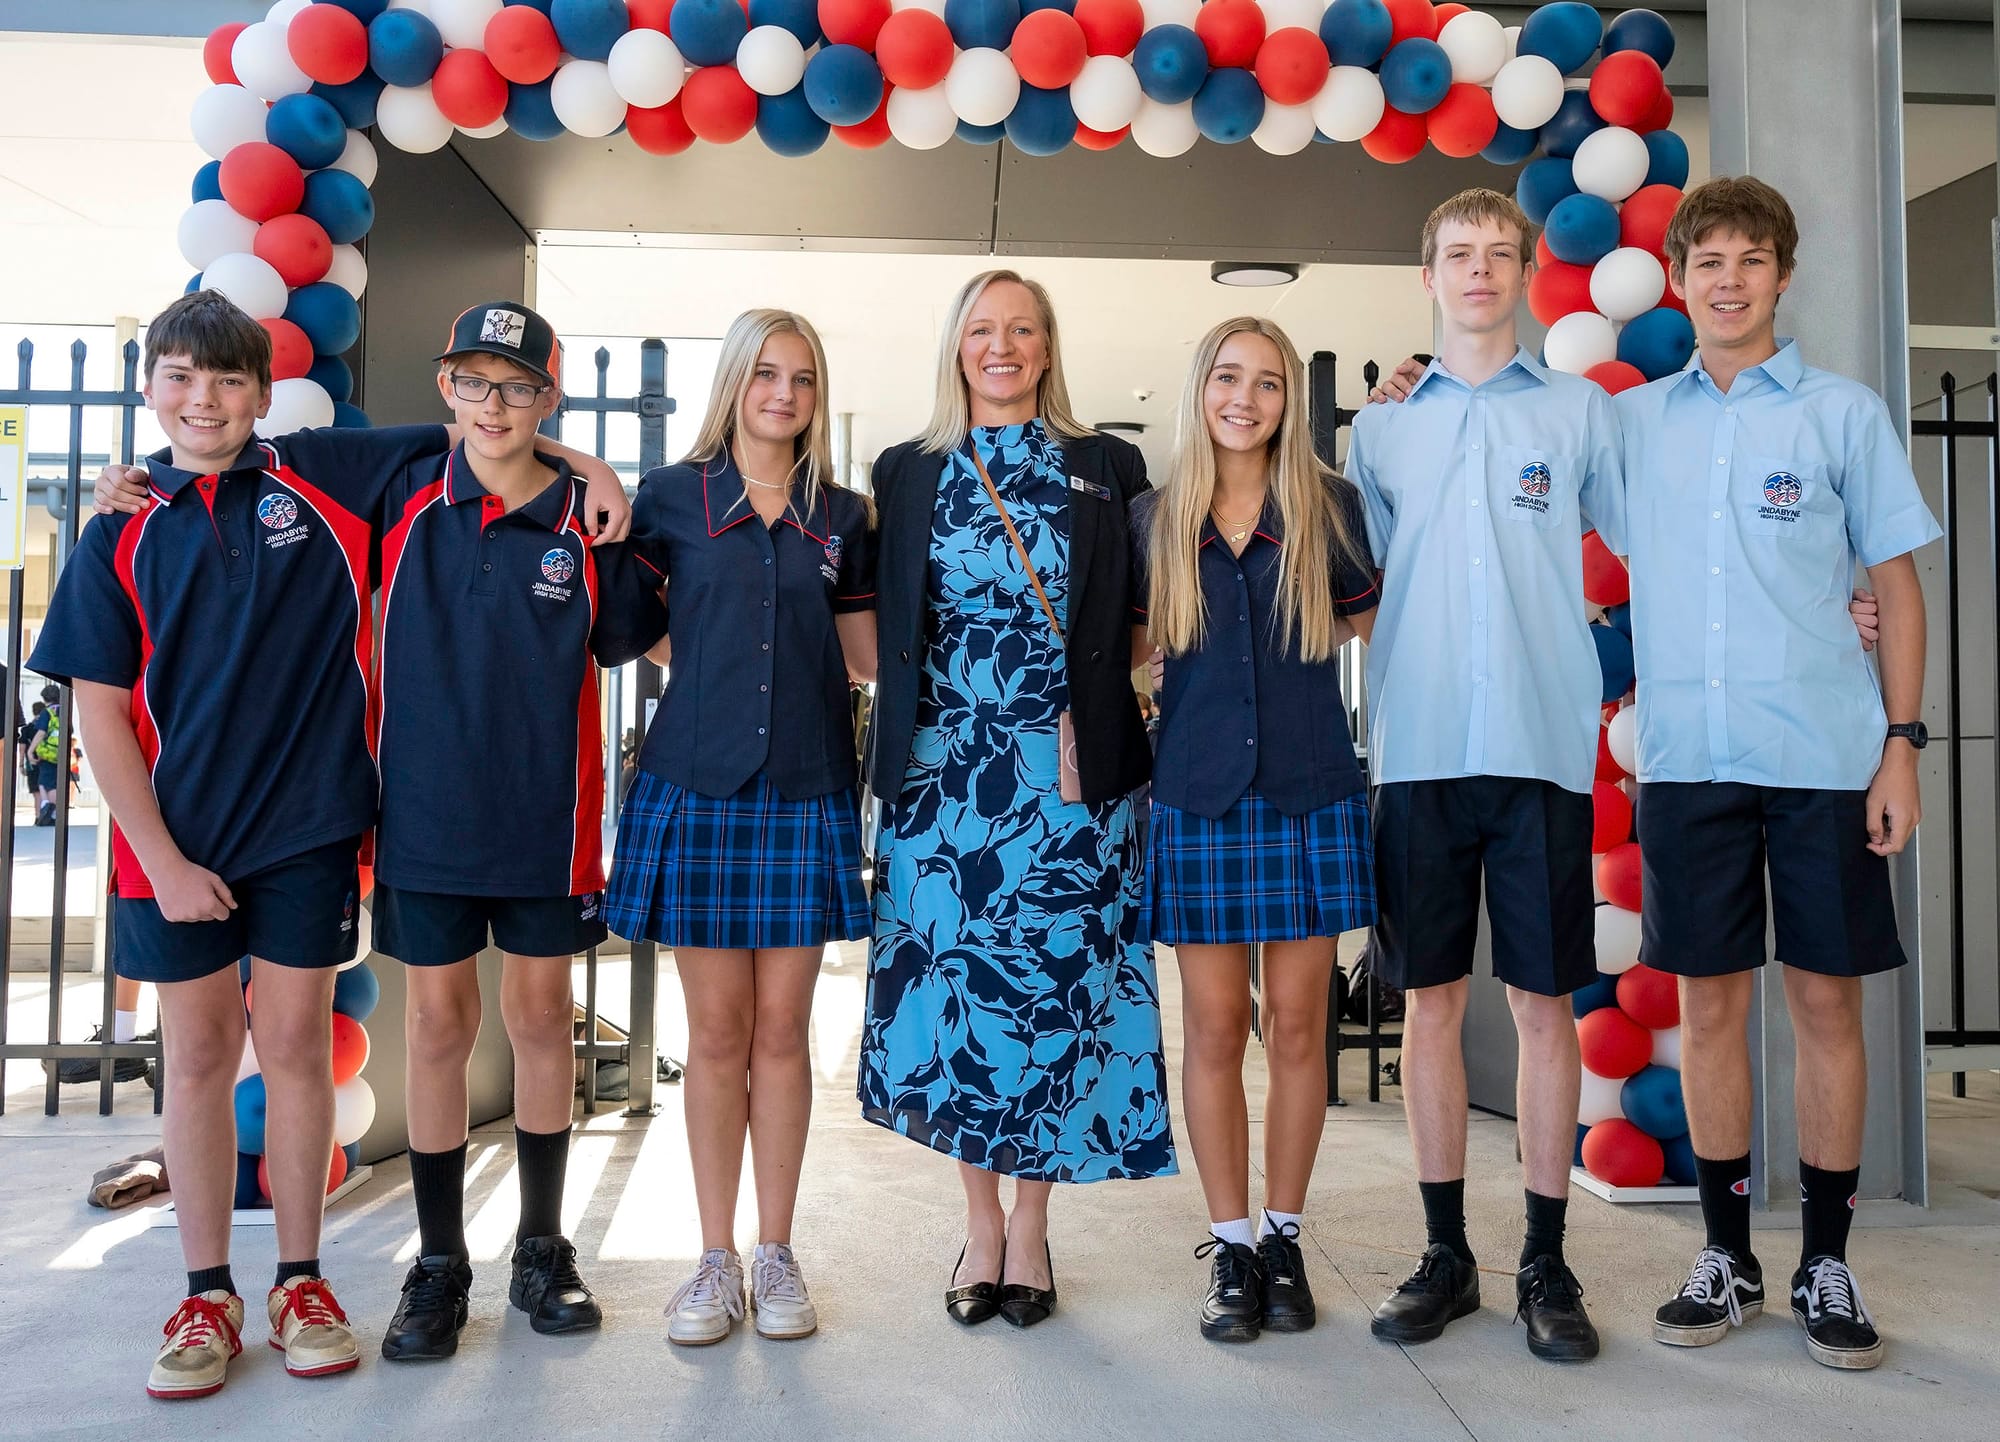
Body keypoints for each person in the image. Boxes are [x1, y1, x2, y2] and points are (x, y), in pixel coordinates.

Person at [69, 290, 628, 1400]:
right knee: (196, 1059)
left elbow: (494, 434)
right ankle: (208, 1291)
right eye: (180, 379)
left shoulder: (322, 474)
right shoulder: (117, 525)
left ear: (263, 395)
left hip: (311, 826)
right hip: (174, 844)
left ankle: (304, 1279)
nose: (204, 400)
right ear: (149, 389)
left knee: (294, 1047)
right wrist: (163, 860)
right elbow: (96, 711)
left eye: (229, 380)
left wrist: (595, 468)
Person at [1617, 177, 1940, 1372]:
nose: (1728, 280)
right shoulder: (1631, 423)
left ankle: (1822, 1260)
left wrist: (1900, 743)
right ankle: (1723, 1254)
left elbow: (1894, 586)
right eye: (1706, 260)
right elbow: (1524, 454)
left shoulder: (1840, 414)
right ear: (1676, 279)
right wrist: (1408, 382)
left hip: (1822, 757)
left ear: (1780, 276)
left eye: (1750, 260)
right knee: (1707, 1007)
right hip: (1688, 761)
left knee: (1823, 1005)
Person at [859, 270, 1175, 1331]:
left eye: (1022, 330)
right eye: (982, 330)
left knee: (1052, 998)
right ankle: (979, 1222)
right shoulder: (905, 469)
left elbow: (1143, 615)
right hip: (942, 780)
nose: (1001, 346)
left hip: (1068, 782)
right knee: (954, 1003)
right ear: (957, 347)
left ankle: (1030, 1225)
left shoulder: (1105, 465)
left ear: (1047, 347)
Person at [1347, 189, 1626, 1362]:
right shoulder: (1378, 431)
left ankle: (1545, 1260)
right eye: (1456, 254)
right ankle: (1445, 1253)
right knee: (1429, 1002)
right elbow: (1350, 589)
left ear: (1521, 273)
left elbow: (1654, 546)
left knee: (1541, 1004)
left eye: (1497, 253)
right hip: (1416, 747)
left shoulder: (1575, 412)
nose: (1477, 270)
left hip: (1539, 747)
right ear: (1428, 275)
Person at [371, 302, 667, 1361]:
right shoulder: (399, 494)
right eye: (473, 381)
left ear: (550, 397)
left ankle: (542, 1246)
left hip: (548, 815)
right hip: (423, 813)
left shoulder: (591, 524)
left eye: (518, 386)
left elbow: (641, 640)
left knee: (542, 1018)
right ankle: (439, 1260)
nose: (493, 405)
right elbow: (243, 452)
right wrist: (132, 481)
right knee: (437, 1025)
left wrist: (595, 475)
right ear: (444, 385)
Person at [607, 309, 876, 1347]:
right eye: (765, 374)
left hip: (806, 786)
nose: (783, 393)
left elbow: (862, 655)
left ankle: (776, 1251)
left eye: (801, 378)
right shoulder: (671, 496)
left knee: (781, 1033)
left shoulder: (843, 516)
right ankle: (714, 1258)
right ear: (733, 382)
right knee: (715, 1035)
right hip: (700, 785)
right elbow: (642, 633)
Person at [1134, 317, 1379, 1342]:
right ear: (1201, 390)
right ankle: (1230, 1243)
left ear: (1288, 401)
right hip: (1196, 798)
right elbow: (1127, 651)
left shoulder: (1329, 508)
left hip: (1308, 792)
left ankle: (1283, 1235)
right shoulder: (1154, 519)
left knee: (1296, 1025)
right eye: (1228, 378)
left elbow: (1378, 626)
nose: (1245, 398)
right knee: (1210, 1029)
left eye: (1267, 382)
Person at [28, 683, 62, 825]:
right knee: (53, 782)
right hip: (60, 752)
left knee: (46, 783)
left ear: (45, 698)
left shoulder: (47, 712)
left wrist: (31, 750)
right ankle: (53, 813)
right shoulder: (64, 710)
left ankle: (49, 810)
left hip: (47, 752)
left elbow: (41, 732)